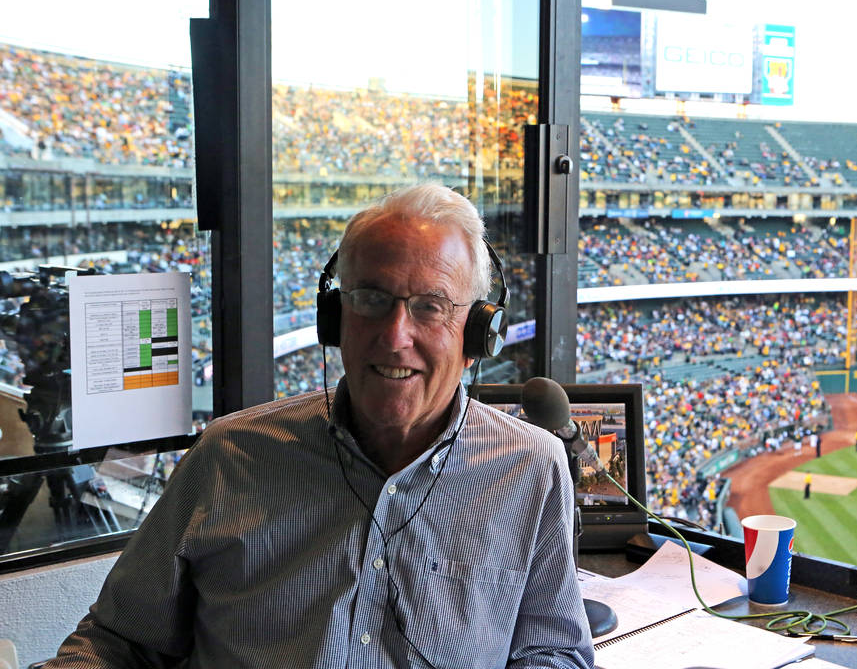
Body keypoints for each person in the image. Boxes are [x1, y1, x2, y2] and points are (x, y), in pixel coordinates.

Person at [45, 184, 593, 669]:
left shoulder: (533, 469)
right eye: (372, 300)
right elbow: (119, 640)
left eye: (430, 307)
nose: (395, 335)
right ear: (334, 320)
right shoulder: (229, 454)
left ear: (478, 335)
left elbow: (553, 652)